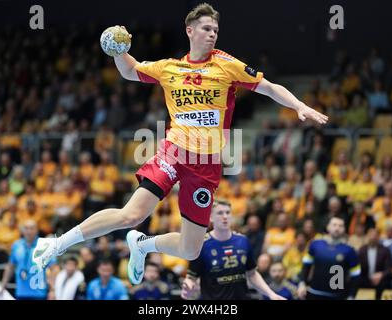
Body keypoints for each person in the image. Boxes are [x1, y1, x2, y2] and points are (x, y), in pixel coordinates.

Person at [32, 3, 328, 286]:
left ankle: (144, 245)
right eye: (206, 28)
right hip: (173, 152)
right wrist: (118, 50)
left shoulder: (227, 66)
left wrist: (299, 105)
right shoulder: (169, 68)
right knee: (131, 215)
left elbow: (269, 87)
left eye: (215, 30)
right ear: (190, 31)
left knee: (190, 250)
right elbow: (129, 70)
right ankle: (57, 243)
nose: (212, 34)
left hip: (207, 164)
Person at [180, 199, 285, 300]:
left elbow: (252, 274)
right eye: (220, 213)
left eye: (228, 212)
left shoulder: (243, 241)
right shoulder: (201, 245)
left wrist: (271, 294)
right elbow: (191, 277)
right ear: (211, 217)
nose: (225, 216)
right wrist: (188, 286)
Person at [297, 216, 361, 300]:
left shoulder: (349, 250)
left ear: (344, 229)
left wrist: (351, 296)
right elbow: (306, 266)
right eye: (334, 225)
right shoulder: (315, 244)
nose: (337, 228)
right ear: (328, 227)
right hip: (314, 293)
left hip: (337, 296)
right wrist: (302, 284)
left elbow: (356, 276)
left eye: (340, 226)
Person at [0, 220, 58, 300]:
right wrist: (3, 286)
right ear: (22, 230)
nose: (29, 231)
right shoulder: (16, 245)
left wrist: (52, 290)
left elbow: (54, 268)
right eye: (26, 228)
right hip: (21, 293)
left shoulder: (44, 245)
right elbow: (10, 267)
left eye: (32, 228)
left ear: (37, 230)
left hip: (39, 294)